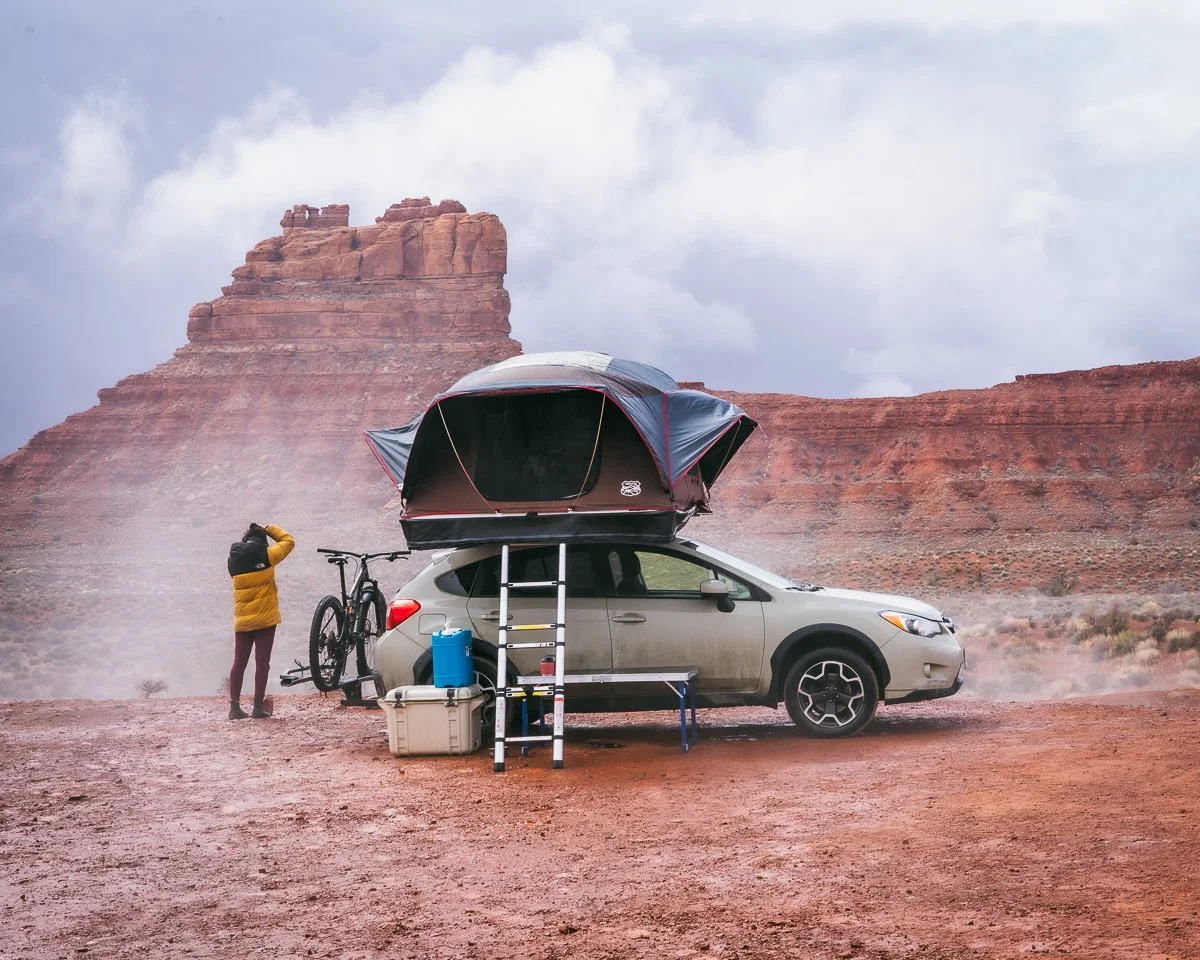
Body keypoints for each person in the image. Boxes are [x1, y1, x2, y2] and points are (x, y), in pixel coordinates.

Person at [227, 522, 295, 719]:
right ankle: (258, 707)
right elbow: (288, 541)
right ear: (263, 541)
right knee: (262, 663)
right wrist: (269, 528)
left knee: (239, 662)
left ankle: (234, 707)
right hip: (265, 619)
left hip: (242, 619)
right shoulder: (267, 555)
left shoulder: (233, 561)